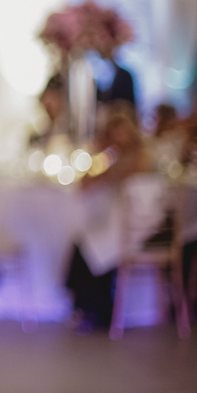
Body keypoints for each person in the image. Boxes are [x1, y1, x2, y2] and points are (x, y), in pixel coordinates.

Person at [65, 111, 150, 330]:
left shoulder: (139, 157)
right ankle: (87, 307)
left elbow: (119, 175)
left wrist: (106, 164)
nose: (118, 139)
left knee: (93, 244)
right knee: (84, 242)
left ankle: (94, 309)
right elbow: (83, 186)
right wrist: (100, 154)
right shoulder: (110, 159)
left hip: (139, 226)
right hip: (117, 222)